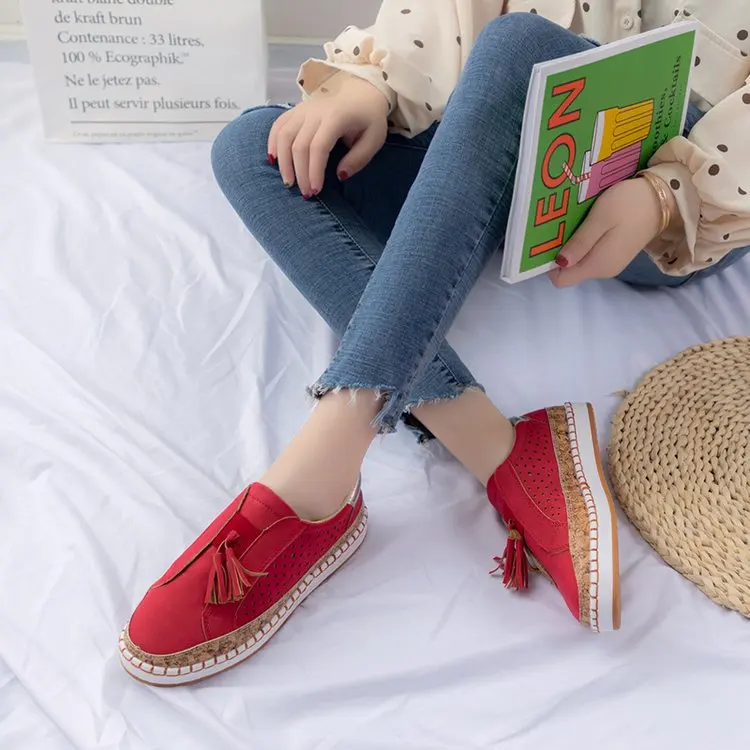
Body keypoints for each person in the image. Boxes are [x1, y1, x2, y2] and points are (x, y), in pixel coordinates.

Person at [118, 0, 750, 685]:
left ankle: (324, 466)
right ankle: (495, 446)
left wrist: (668, 192)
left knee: (523, 44)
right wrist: (374, 82)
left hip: (675, 189)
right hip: (515, 135)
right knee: (256, 147)